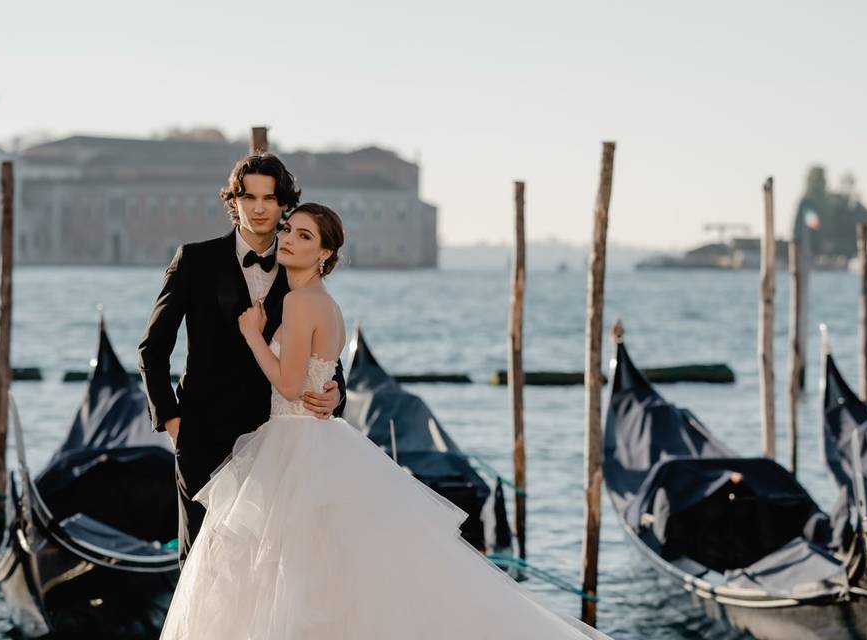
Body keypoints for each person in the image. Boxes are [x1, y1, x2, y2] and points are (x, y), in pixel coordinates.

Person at [159, 203, 602, 639]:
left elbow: (291, 386)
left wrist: (253, 336)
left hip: (293, 442)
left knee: (286, 570)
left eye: (304, 236)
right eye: (289, 231)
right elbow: (321, 373)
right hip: (317, 438)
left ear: (326, 255)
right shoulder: (325, 304)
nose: (289, 239)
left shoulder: (298, 302)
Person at [138, 154, 345, 566]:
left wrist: (337, 391)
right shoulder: (194, 260)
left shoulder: (299, 266)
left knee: (269, 571)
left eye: (269, 198)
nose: (259, 208)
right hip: (203, 440)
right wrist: (174, 424)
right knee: (202, 563)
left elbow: (323, 346)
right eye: (248, 197)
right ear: (234, 201)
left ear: (284, 203)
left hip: (276, 441)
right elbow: (152, 349)